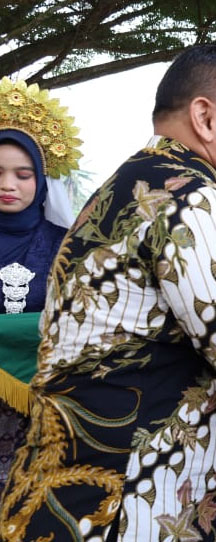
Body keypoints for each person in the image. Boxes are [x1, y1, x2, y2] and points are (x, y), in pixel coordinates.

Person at [0, 45, 216, 542]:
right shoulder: (194, 199)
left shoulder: (126, 187)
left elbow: (168, 336)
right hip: (135, 514)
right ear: (205, 117)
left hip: (76, 502)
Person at [0, 78, 78, 497]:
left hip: (51, 402)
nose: (8, 184)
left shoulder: (68, 245)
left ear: (43, 180)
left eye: (23, 174)